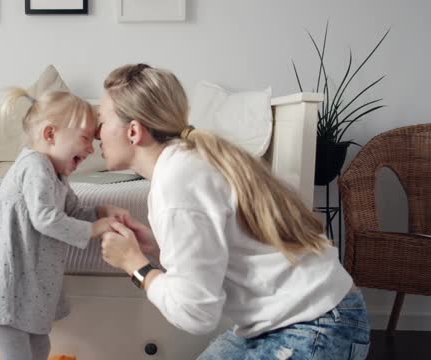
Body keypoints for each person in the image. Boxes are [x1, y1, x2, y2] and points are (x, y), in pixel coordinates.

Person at [96, 64, 371, 359]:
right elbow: (219, 244)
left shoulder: (176, 182)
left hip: (315, 327)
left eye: (101, 121)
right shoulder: (186, 161)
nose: (97, 134)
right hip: (314, 313)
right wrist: (155, 245)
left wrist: (135, 265)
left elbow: (195, 313)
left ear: (134, 131)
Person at [0, 88, 128, 360]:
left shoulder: (57, 174)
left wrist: (101, 212)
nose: (91, 149)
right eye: (86, 138)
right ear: (51, 135)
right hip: (8, 287)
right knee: (19, 354)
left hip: (28, 289)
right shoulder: (35, 166)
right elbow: (45, 219)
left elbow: (72, 211)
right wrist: (93, 229)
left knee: (41, 348)